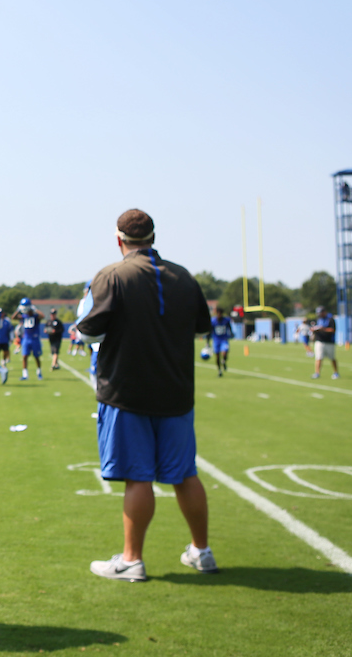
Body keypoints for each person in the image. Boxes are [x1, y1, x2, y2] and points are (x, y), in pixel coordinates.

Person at [77, 209, 216, 582]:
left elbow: (88, 334)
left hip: (127, 392)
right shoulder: (183, 276)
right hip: (176, 392)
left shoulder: (112, 275)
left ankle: (132, 559)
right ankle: (201, 551)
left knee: (138, 477)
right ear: (153, 238)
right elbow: (203, 327)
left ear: (119, 240)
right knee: (185, 474)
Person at [13, 298, 43, 381]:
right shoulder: (23, 316)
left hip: (35, 338)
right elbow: (13, 317)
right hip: (26, 338)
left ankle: (39, 372)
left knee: (36, 356)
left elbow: (43, 316)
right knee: (24, 356)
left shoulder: (35, 315)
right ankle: (25, 374)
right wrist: (18, 310)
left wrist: (35, 309)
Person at [310, 306, 340, 380]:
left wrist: (323, 329)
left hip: (329, 342)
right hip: (319, 341)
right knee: (318, 358)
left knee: (332, 358)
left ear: (324, 312)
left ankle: (336, 372)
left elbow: (333, 330)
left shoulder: (330, 319)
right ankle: (317, 373)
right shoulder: (318, 319)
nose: (319, 314)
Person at [208, 307, 232, 377]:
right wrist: (207, 342)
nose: (219, 315)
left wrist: (231, 333)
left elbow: (229, 327)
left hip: (224, 339)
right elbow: (210, 331)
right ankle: (219, 370)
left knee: (225, 353)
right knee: (217, 357)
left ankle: (224, 362)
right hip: (216, 340)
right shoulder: (213, 321)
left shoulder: (226, 320)